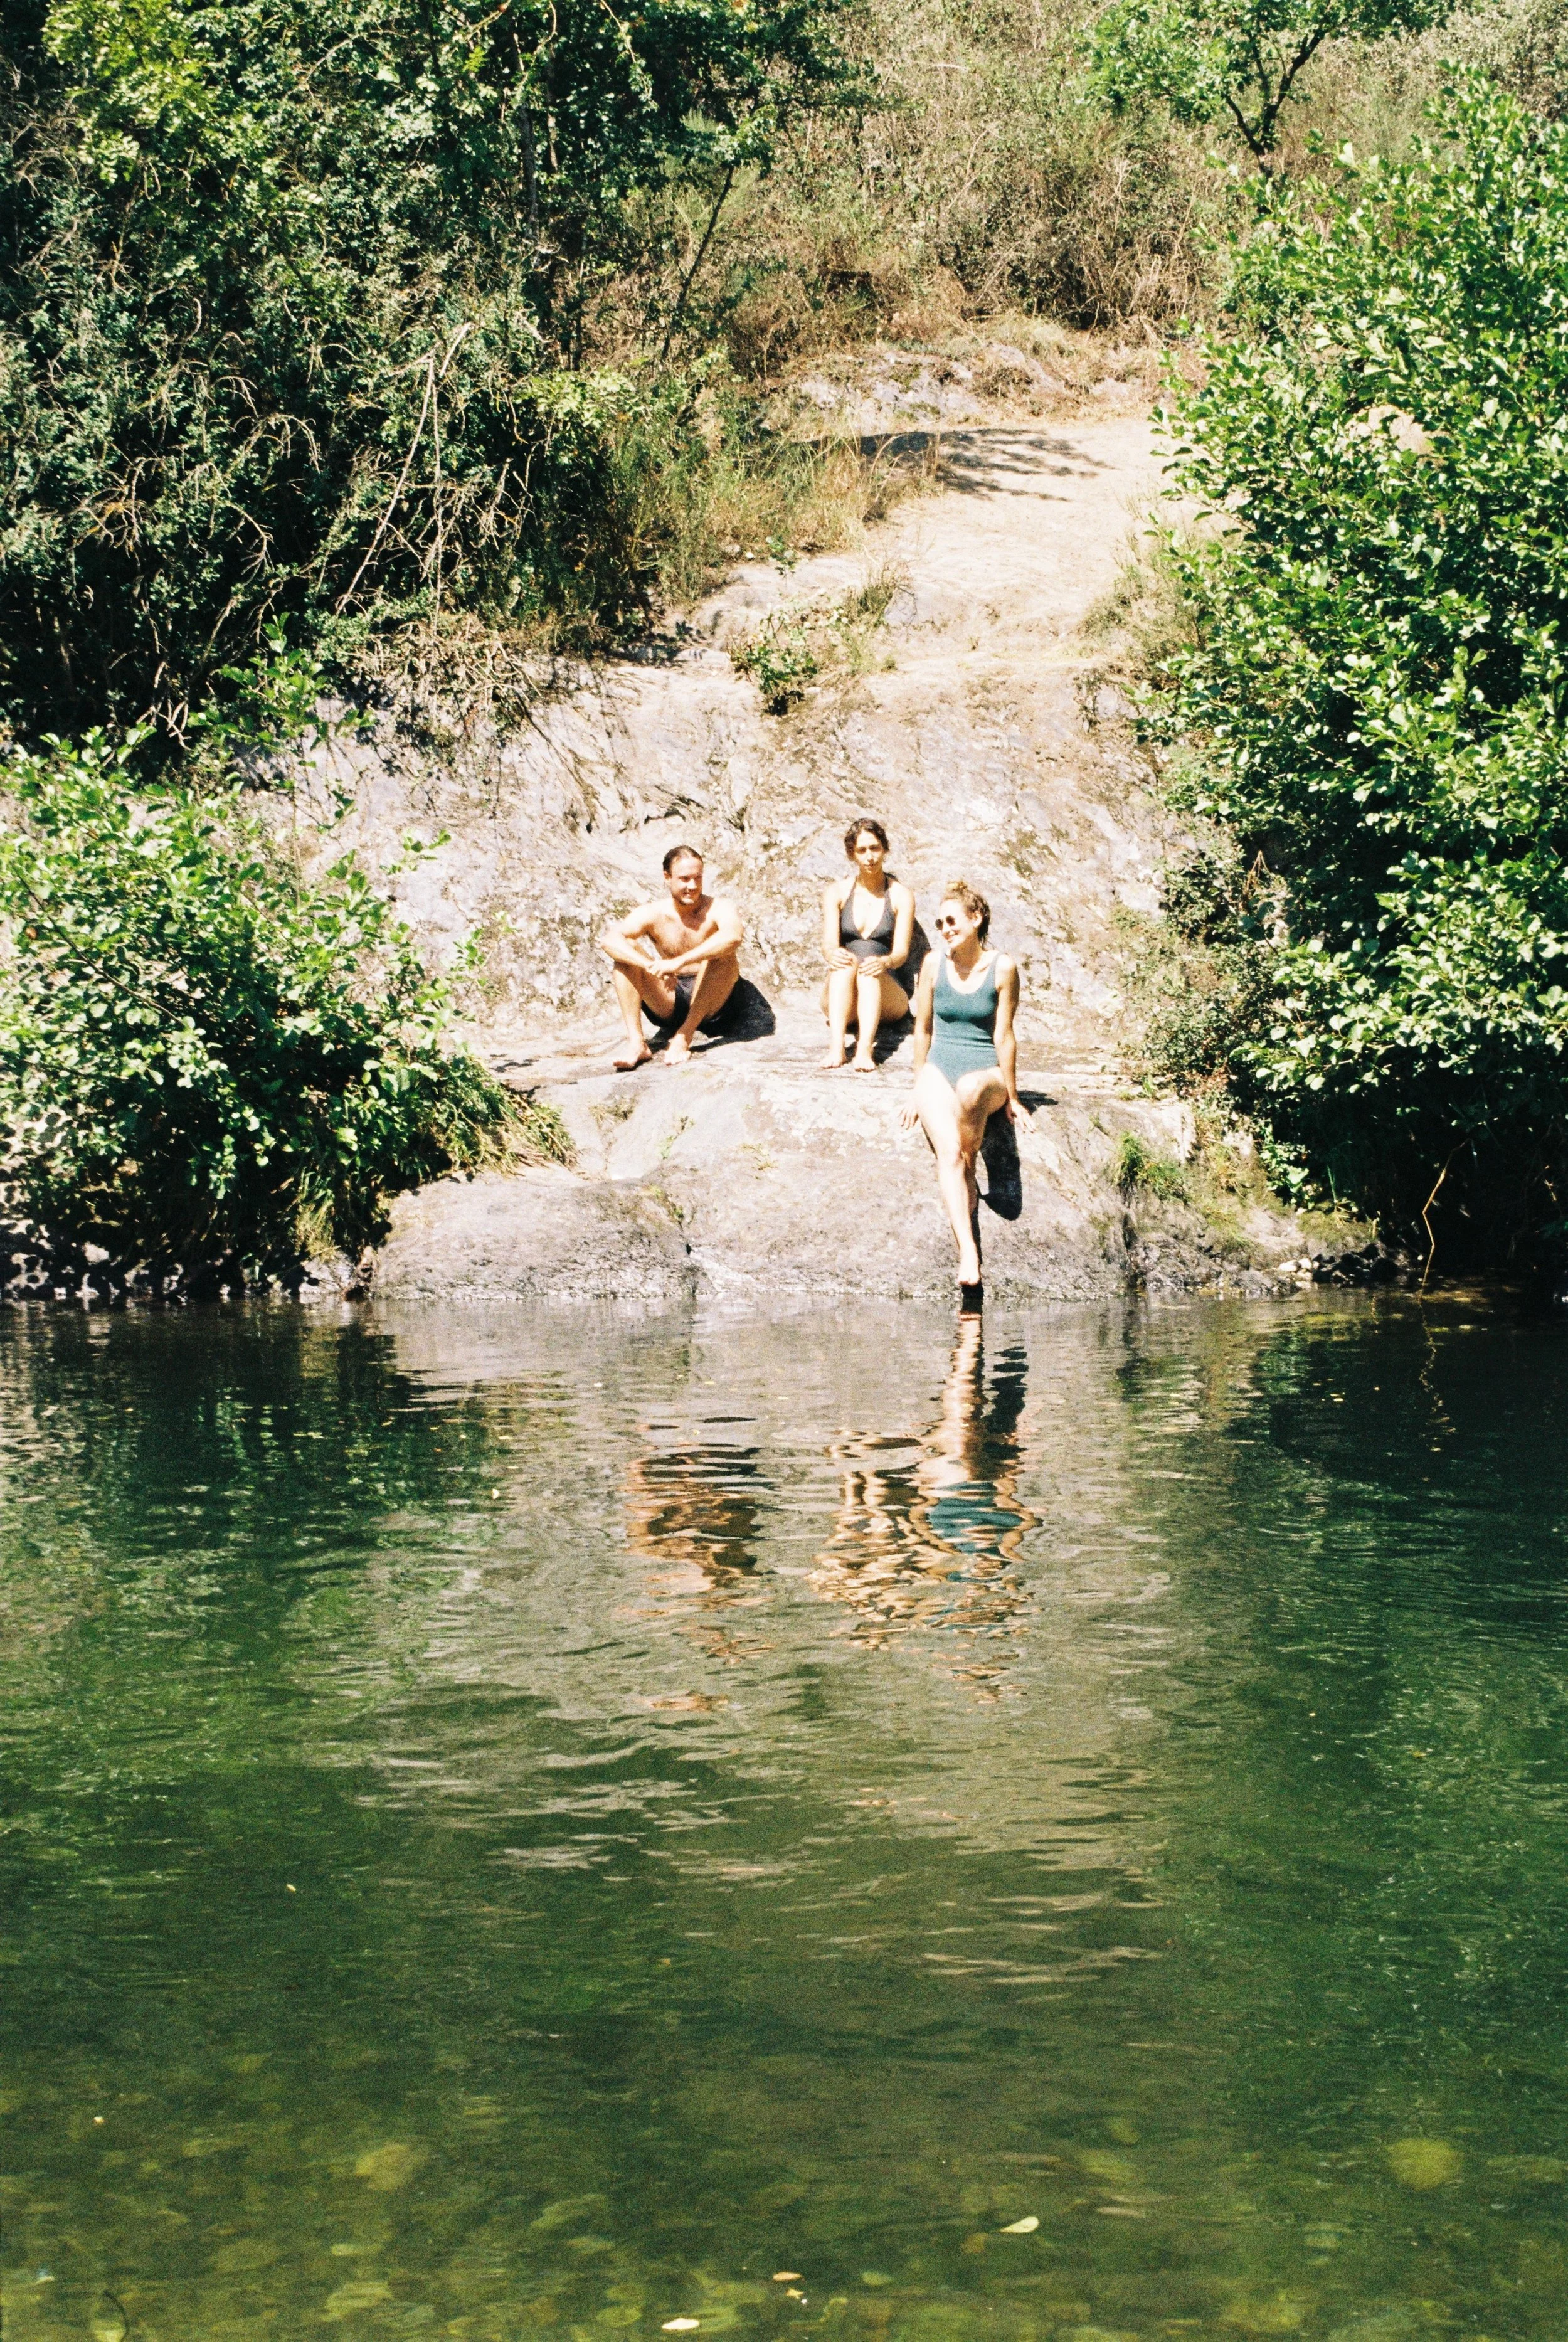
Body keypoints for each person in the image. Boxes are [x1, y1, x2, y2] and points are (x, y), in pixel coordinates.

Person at [899, 879, 1026, 1310]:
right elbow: (923, 1029)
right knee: (950, 1155)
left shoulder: (1003, 967)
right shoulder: (934, 964)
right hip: (939, 1067)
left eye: (952, 920)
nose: (945, 928)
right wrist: (918, 1086)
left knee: (973, 1092)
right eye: (940, 923)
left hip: (984, 1070)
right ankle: (968, 1254)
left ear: (977, 919)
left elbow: (1005, 1035)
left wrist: (1011, 1096)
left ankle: (972, 1170)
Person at [600, 845, 743, 1071]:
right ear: (667, 877)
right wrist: (650, 966)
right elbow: (610, 940)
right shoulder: (653, 913)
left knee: (723, 953)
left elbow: (733, 936)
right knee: (626, 950)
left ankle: (684, 1036)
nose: (693, 886)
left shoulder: (719, 907)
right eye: (685, 879)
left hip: (715, 1001)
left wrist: (679, 962)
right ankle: (637, 1044)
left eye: (698, 878)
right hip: (670, 998)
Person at [818, 817, 916, 1070]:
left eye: (875, 848)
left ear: (885, 849)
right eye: (862, 850)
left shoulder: (900, 895)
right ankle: (837, 1047)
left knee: (868, 970)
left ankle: (864, 1051)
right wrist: (833, 954)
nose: (870, 857)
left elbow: (901, 953)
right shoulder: (837, 893)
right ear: (852, 854)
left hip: (887, 993)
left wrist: (885, 962)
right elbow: (829, 944)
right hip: (844, 997)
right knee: (845, 965)